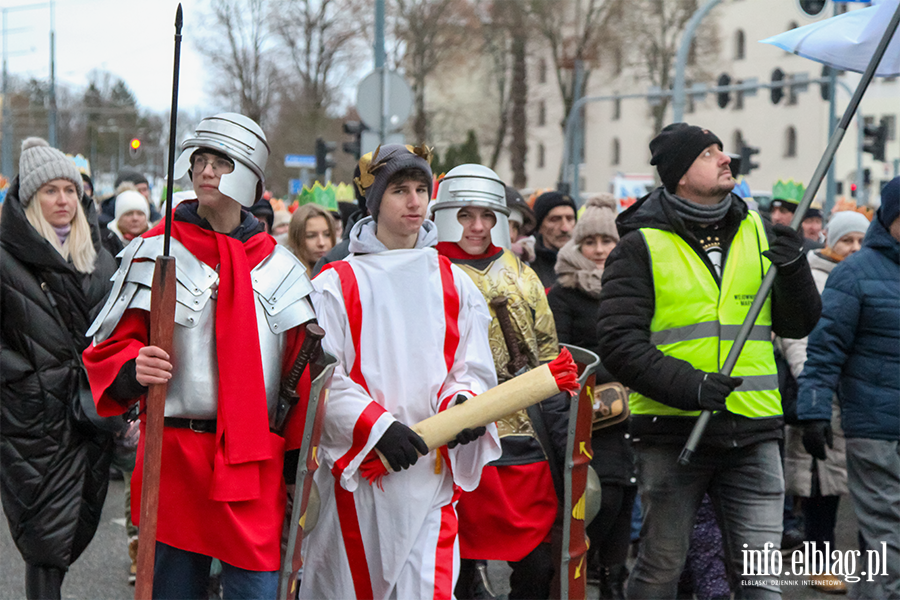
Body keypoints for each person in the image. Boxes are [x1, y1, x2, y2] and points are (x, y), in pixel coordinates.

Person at [83, 113, 317, 599]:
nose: (207, 171)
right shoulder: (153, 251)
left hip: (254, 464)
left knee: (256, 590)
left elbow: (302, 381)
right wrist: (133, 370)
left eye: (221, 161)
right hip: (175, 460)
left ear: (249, 173)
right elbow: (108, 348)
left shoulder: (283, 269)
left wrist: (296, 467)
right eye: (200, 161)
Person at [597, 122, 821, 599]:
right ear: (679, 174)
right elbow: (618, 343)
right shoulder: (640, 246)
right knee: (661, 567)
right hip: (672, 432)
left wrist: (795, 269)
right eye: (708, 154)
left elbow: (797, 324)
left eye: (722, 151)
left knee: (760, 578)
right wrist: (692, 386)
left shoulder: (759, 231)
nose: (726, 160)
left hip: (755, 431)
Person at [300, 145, 502, 600]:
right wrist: (377, 427)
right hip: (363, 474)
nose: (415, 202)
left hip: (429, 474)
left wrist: (463, 405)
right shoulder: (336, 284)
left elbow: (472, 366)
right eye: (399, 191)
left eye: (421, 189)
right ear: (374, 204)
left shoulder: (455, 283)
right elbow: (323, 378)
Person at [430, 164, 566, 600]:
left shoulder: (522, 274)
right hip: (454, 436)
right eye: (465, 214)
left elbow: (547, 354)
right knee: (456, 568)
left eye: (487, 215)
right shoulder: (426, 272)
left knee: (536, 564)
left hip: (526, 439)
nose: (477, 226)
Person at [0, 137, 117, 600]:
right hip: (31, 421)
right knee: (44, 542)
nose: (63, 200)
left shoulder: (102, 258)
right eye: (50, 191)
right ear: (31, 199)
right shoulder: (7, 258)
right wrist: (25, 376)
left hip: (90, 417)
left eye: (69, 189)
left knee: (74, 531)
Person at [796, 177, 900, 600]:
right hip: (874, 429)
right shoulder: (854, 275)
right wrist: (815, 411)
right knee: (886, 534)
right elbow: (823, 350)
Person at [548, 193, 637, 600]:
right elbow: (562, 355)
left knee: (625, 495)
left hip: (632, 412)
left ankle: (614, 582)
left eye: (607, 242)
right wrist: (623, 372)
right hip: (587, 413)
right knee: (602, 499)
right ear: (577, 246)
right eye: (590, 243)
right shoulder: (564, 293)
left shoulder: (633, 285)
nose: (599, 251)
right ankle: (579, 574)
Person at [781, 210, 869, 593]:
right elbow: (797, 337)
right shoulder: (812, 277)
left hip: (861, 397)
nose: (854, 249)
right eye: (846, 240)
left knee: (868, 489)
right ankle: (820, 562)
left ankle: (873, 565)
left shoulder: (872, 274)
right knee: (821, 489)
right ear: (830, 240)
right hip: (823, 395)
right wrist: (813, 384)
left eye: (860, 241)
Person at [530, 190, 577, 288]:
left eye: (570, 219)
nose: (565, 228)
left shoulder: (588, 262)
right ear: (539, 227)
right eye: (555, 219)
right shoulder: (527, 266)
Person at [287, 203, 337, 276]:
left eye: (327, 235)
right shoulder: (286, 277)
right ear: (296, 239)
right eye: (311, 236)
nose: (321, 243)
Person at [102, 189, 151, 258]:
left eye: (140, 214)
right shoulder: (105, 244)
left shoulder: (156, 243)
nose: (135, 218)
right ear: (119, 218)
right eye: (129, 214)